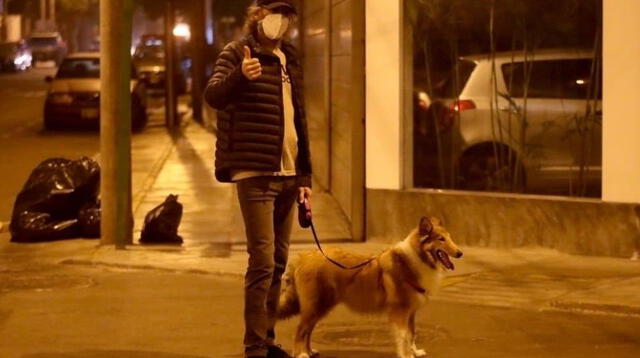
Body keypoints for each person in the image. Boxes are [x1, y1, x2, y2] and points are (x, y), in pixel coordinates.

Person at [204, 1, 312, 357]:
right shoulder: (237, 53)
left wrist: (305, 176)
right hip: (255, 173)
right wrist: (240, 76)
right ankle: (254, 346)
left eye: (285, 16)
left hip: (288, 173)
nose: (278, 22)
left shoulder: (289, 59)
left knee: (279, 262)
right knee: (262, 261)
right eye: (272, 14)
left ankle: (267, 338)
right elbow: (214, 95)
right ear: (257, 16)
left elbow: (299, 119)